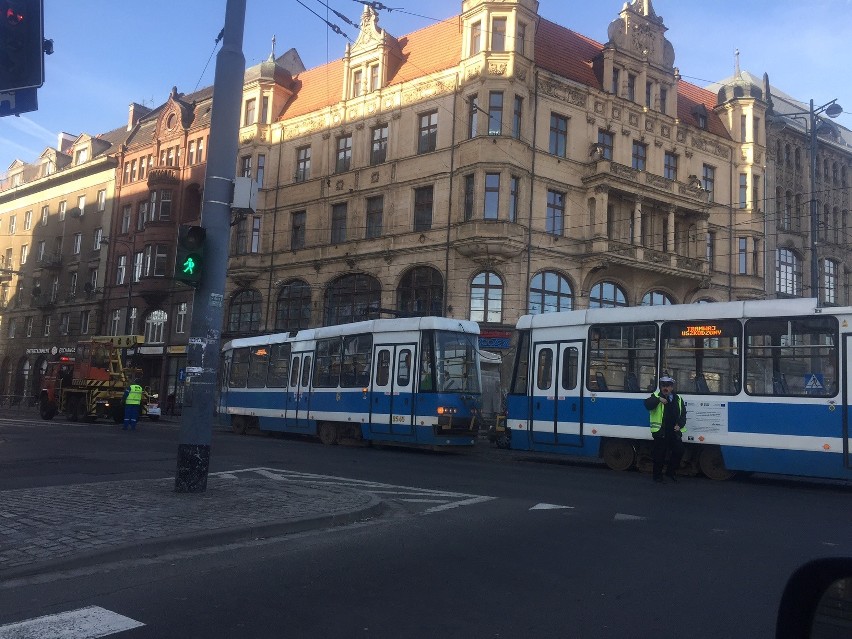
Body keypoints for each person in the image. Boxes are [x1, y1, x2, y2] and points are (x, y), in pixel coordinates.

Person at [644, 375, 686, 483]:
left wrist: (680, 425)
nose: (665, 388)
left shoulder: (678, 399)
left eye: (668, 385)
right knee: (659, 454)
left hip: (674, 432)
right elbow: (648, 404)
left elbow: (683, 415)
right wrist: (658, 399)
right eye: (663, 385)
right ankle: (657, 476)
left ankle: (670, 472)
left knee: (679, 450)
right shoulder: (656, 396)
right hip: (661, 431)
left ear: (672, 387)